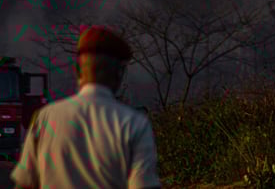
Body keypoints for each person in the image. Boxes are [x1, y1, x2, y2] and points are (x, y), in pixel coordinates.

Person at [9, 25, 161, 189]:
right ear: (119, 73)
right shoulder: (134, 124)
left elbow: (25, 184)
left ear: (77, 70)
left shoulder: (45, 118)